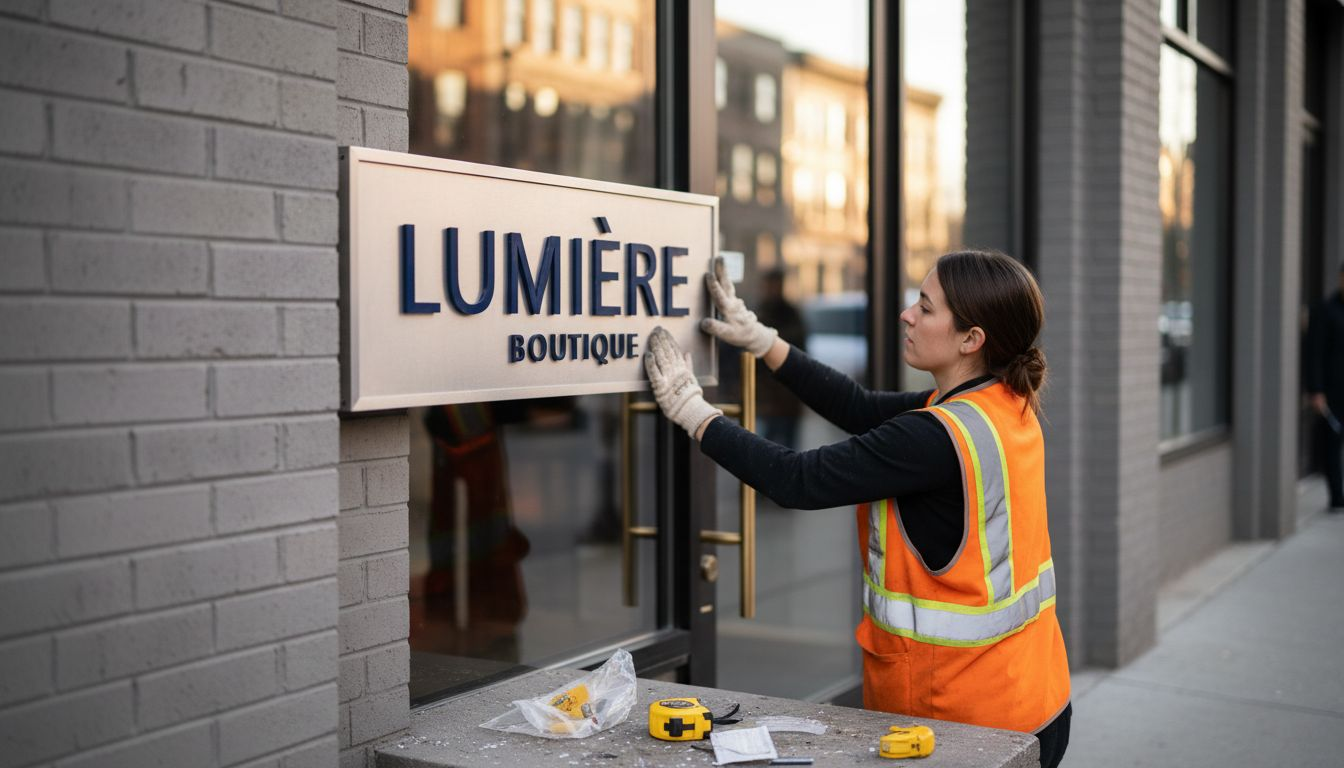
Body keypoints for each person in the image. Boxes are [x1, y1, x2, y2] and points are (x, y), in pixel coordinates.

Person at [643, 250, 1071, 768]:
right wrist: (764, 341)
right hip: (1034, 701)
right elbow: (859, 407)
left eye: (926, 307)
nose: (907, 315)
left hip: (962, 723)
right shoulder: (1004, 404)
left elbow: (796, 481)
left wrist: (694, 413)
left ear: (971, 339)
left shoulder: (936, 435)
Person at [754, 267, 808, 448]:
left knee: (786, 444)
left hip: (787, 393)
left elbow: (799, 349)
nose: (771, 289)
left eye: (774, 285)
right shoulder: (760, 313)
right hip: (767, 394)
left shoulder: (789, 314)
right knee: (767, 444)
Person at [1305, 264, 1344, 511]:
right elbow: (1314, 354)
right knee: (1333, 442)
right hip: (1332, 390)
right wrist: (1316, 390)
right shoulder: (1325, 311)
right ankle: (1337, 497)